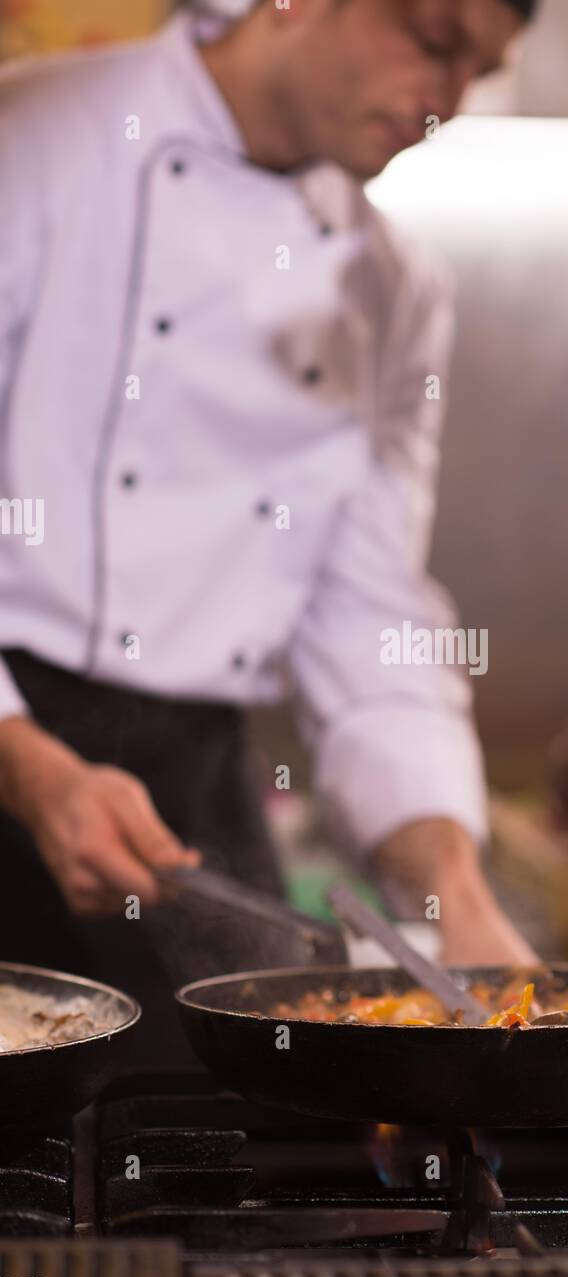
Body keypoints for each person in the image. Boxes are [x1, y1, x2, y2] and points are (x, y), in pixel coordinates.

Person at [0, 0, 539, 1062]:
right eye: (434, 38)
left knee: (229, 1163)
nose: (447, 103)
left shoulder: (396, 288)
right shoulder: (33, 142)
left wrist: (455, 889)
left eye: (479, 68)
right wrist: (31, 769)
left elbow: (368, 603)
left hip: (192, 808)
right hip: (14, 746)